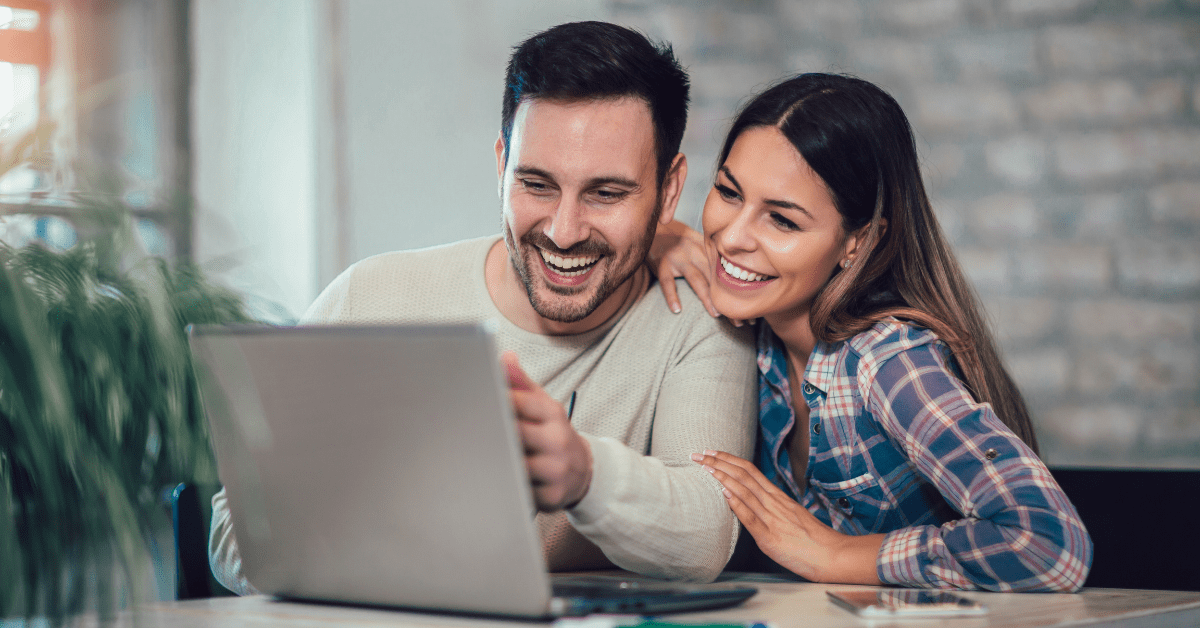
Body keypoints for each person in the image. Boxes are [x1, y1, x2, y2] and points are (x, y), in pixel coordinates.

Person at [207, 21, 757, 595]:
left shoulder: (701, 316)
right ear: (501, 164)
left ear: (669, 190)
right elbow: (234, 534)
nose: (564, 232)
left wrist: (584, 475)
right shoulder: (371, 297)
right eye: (537, 185)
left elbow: (705, 535)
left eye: (606, 194)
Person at [649, 73, 1093, 592]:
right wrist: (661, 237)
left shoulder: (887, 362)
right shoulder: (756, 325)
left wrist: (836, 555)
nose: (732, 236)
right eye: (728, 192)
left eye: (783, 221)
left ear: (857, 243)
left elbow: (1050, 544)